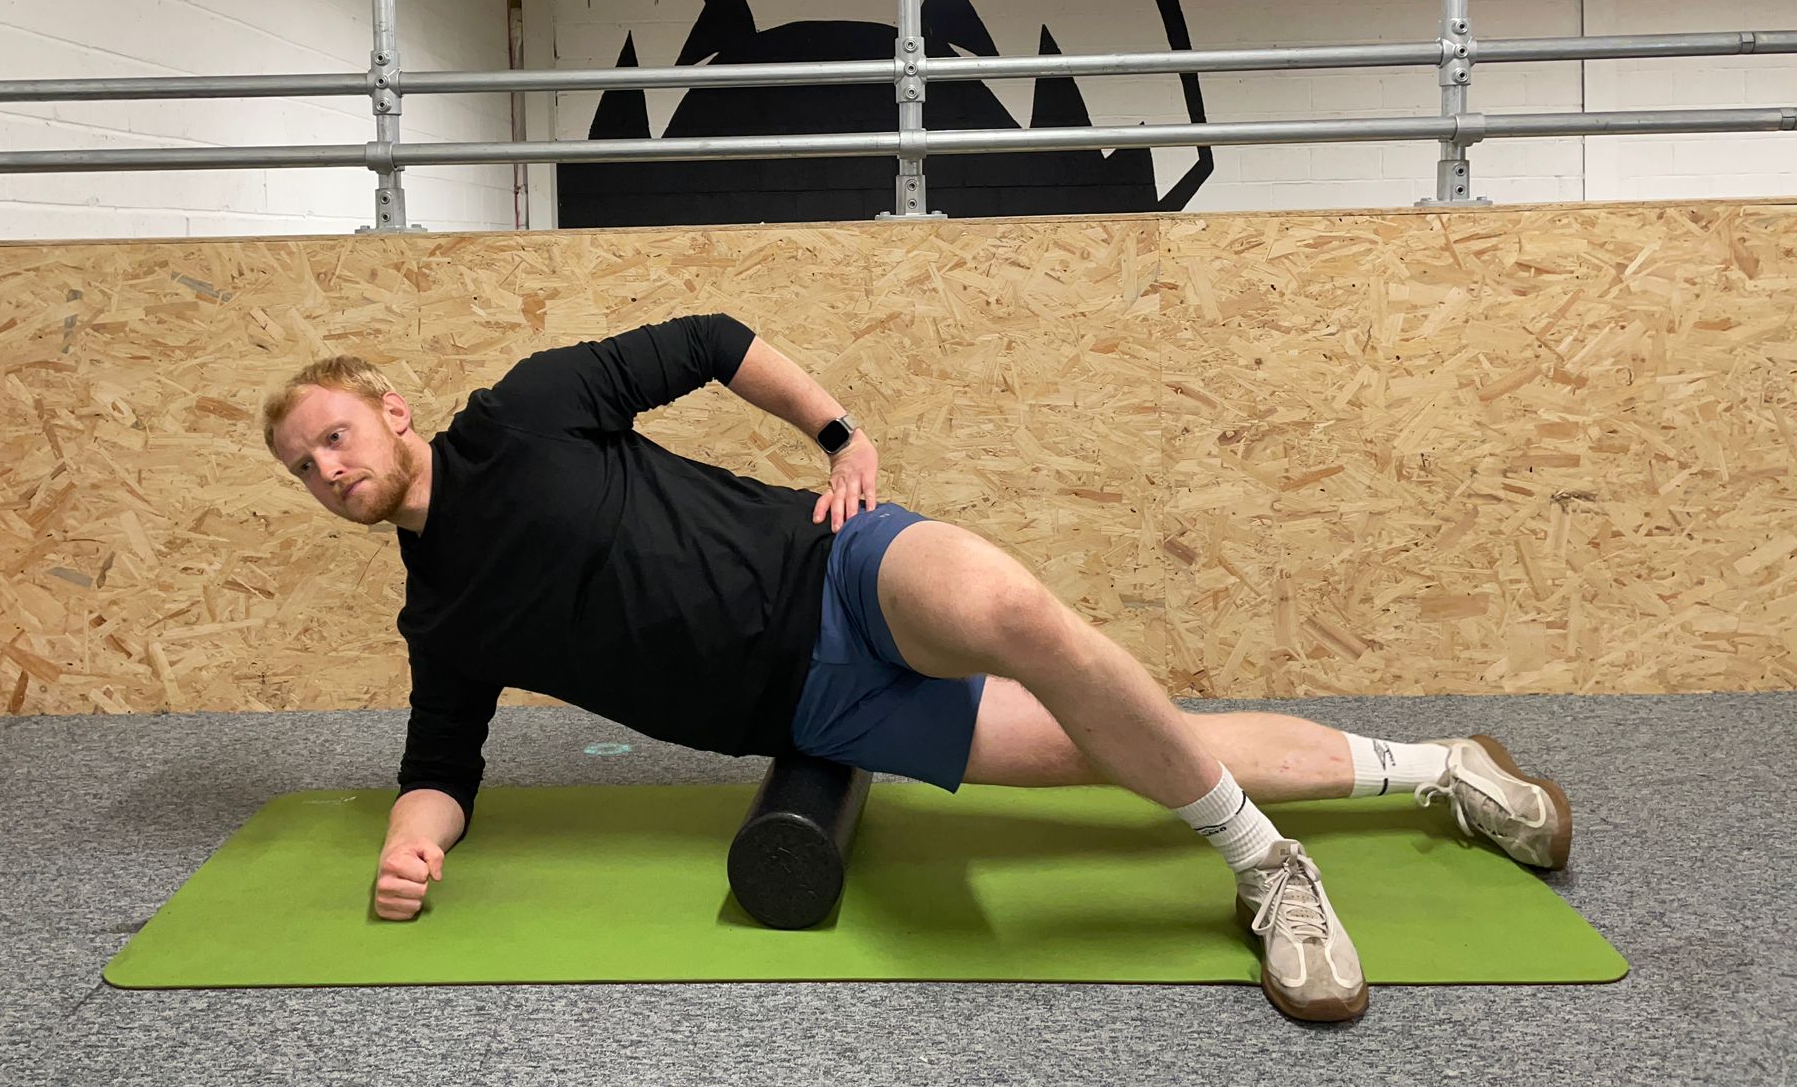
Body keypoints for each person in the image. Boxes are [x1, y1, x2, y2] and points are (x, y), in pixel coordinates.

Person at [261, 314, 1571, 1023]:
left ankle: (1268, 869)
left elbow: (716, 339)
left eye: (332, 434)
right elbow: (442, 767)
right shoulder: (444, 621)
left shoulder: (531, 406)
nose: (327, 470)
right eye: (303, 467)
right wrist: (414, 843)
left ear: (390, 409)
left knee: (1023, 618)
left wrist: (842, 434)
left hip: (831, 566)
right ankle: (1442, 765)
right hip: (814, 707)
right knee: (1115, 747)